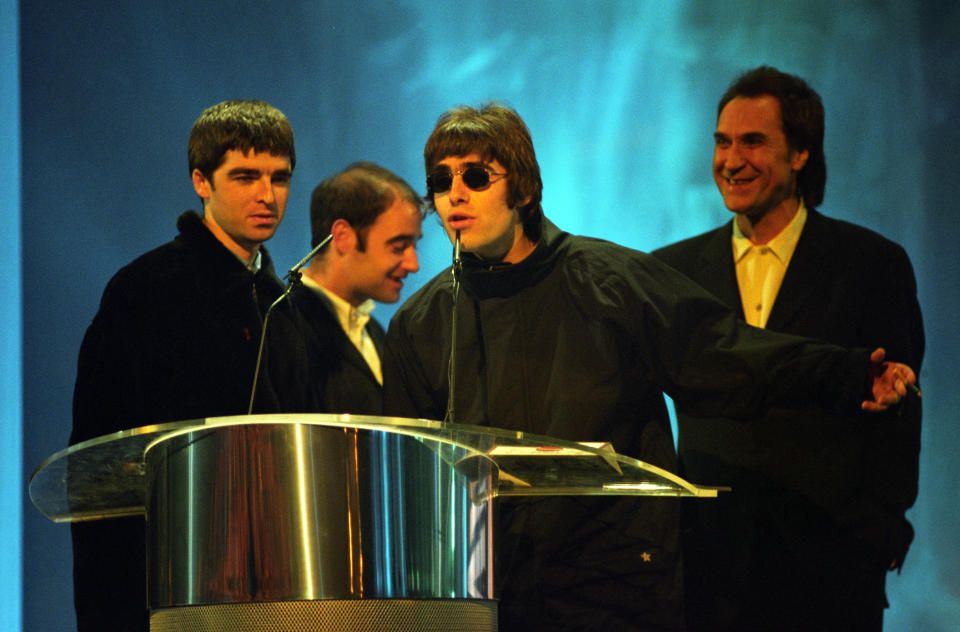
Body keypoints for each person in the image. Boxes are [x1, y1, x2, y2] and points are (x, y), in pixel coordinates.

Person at [381, 103, 918, 632]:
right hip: (493, 599)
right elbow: (408, 479)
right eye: (440, 179)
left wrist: (847, 374)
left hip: (614, 593)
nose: (454, 193)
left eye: (476, 176)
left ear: (521, 187)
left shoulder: (611, 283)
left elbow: (726, 353)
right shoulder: (420, 324)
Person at [652, 66, 924, 631]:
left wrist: (882, 532)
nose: (731, 161)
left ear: (801, 153)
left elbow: (900, 401)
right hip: (709, 575)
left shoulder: (872, 264)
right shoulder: (670, 272)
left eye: (753, 142)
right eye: (723, 142)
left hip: (829, 574)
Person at [69, 100, 314, 631]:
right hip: (167, 597)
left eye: (280, 178)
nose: (267, 195)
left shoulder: (284, 307)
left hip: (274, 598)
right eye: (245, 176)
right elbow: (97, 466)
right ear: (201, 181)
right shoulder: (145, 291)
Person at [291, 161, 423, 414]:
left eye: (414, 245)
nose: (413, 264)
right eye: (398, 247)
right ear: (342, 236)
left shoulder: (375, 333)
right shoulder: (285, 326)